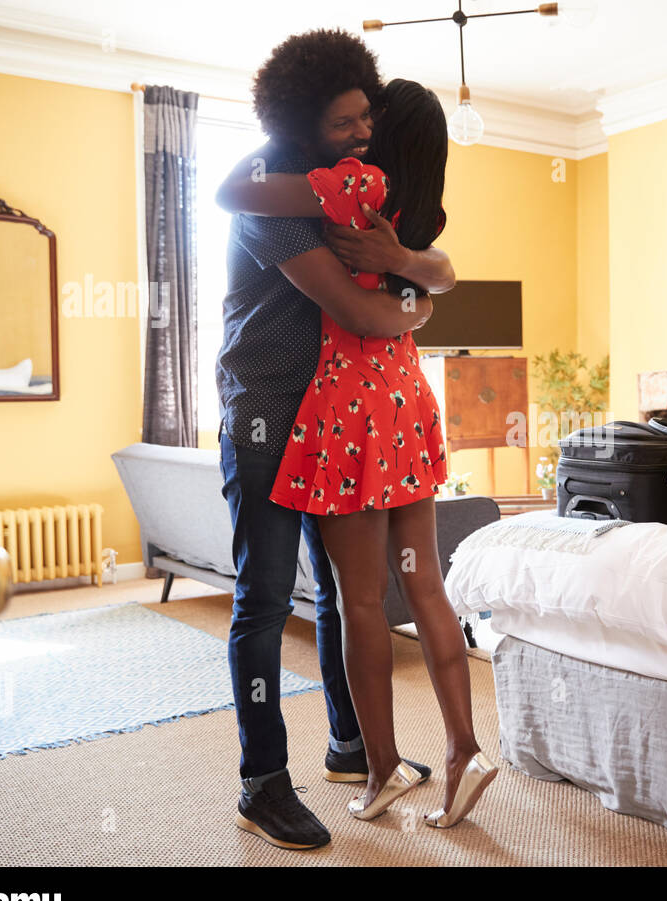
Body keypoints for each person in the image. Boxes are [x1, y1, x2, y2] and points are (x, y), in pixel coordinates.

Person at [218, 78, 497, 829]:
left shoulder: (353, 196)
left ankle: (368, 759)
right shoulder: (344, 201)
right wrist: (418, 286)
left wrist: (410, 271)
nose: (360, 129)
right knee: (313, 596)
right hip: (339, 410)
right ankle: (275, 778)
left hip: (341, 413)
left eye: (368, 119)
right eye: (346, 118)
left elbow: (395, 295)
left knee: (358, 598)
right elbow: (405, 294)